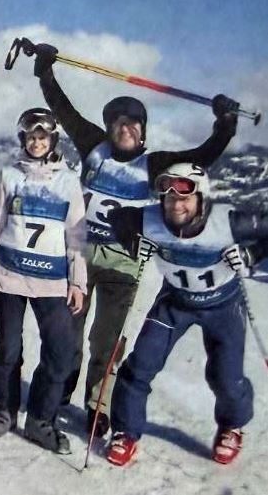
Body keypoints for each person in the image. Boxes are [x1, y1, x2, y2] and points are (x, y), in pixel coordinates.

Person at [31, 43, 240, 435]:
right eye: (118, 123)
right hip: (78, 253)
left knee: (107, 339)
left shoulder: (154, 163)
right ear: (109, 128)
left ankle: (98, 405)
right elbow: (63, 110)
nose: (125, 129)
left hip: (123, 260)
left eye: (133, 124)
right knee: (68, 334)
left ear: (143, 131)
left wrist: (224, 126)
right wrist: (45, 72)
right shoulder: (94, 145)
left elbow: (202, 157)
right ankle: (59, 392)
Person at [103, 162, 266, 466]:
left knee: (226, 378)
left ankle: (232, 426)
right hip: (175, 302)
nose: (176, 205)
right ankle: (125, 431)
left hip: (222, 305)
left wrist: (252, 254)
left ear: (202, 198)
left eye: (185, 198)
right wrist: (134, 242)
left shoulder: (228, 221)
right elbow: (117, 217)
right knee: (139, 365)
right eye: (169, 198)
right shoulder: (151, 219)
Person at [0, 108, 87, 454]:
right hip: (9, 276)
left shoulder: (68, 181)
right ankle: (4, 409)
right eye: (31, 137)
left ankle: (40, 419)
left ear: (53, 140)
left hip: (51, 280)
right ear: (23, 139)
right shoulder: (9, 176)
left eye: (42, 137)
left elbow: (76, 236)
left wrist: (77, 282)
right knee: (8, 348)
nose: (36, 143)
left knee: (60, 351)